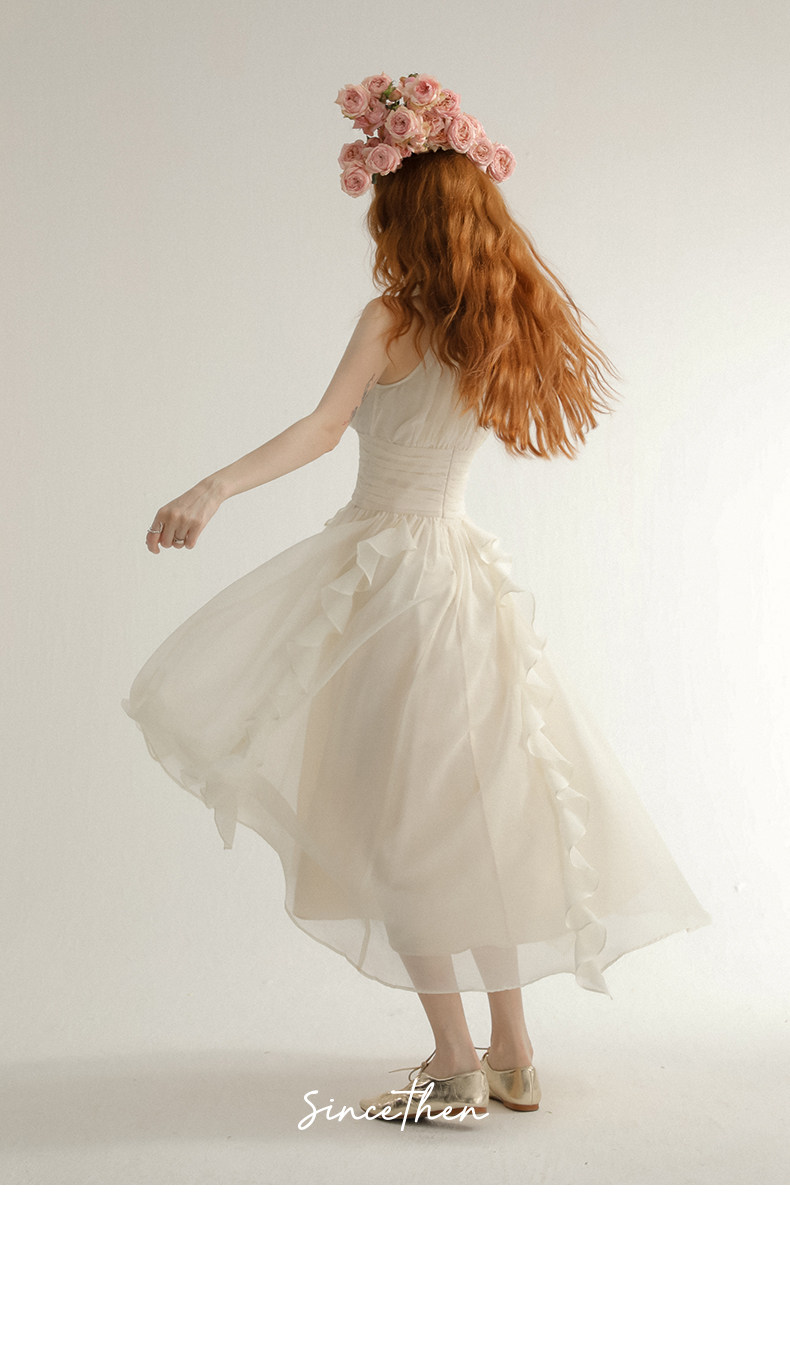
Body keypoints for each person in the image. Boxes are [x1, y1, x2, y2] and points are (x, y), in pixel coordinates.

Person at [122, 72, 713, 1125]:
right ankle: (512, 1052)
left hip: (385, 585)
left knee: (391, 823)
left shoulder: (391, 319)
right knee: (476, 819)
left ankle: (453, 1061)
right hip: (466, 584)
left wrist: (214, 485)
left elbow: (322, 427)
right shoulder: (500, 321)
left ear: (403, 216)